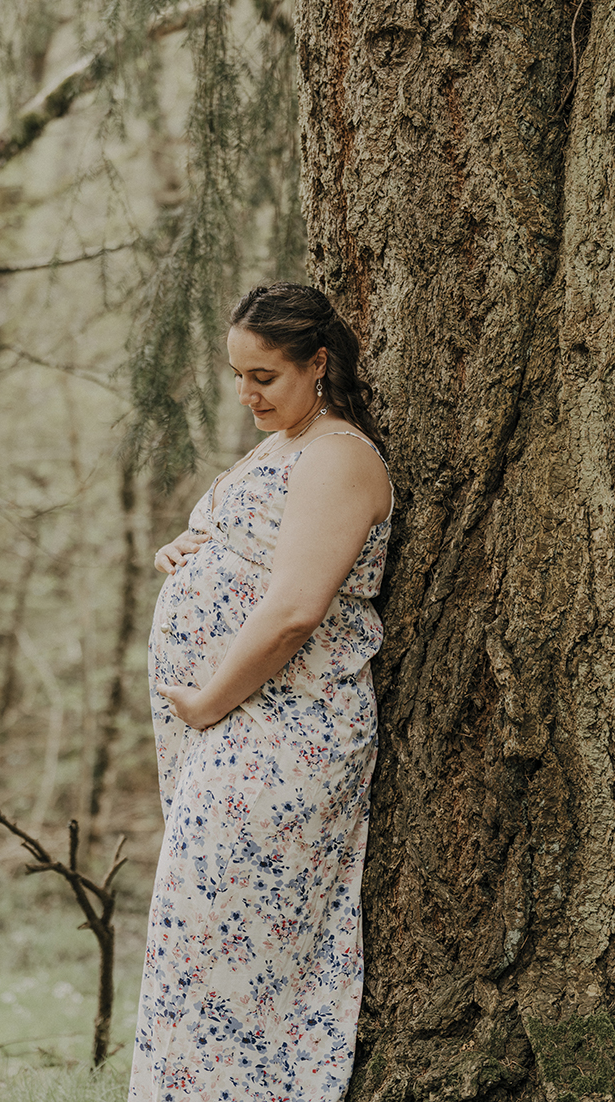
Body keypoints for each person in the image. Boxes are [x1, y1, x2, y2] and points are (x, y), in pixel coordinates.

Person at [129, 281, 392, 1102]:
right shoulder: (278, 447)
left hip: (285, 731)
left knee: (226, 954)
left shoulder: (340, 455)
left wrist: (208, 702)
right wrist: (191, 549)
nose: (245, 393)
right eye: (236, 374)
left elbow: (292, 611)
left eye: (264, 377)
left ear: (318, 364)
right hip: (237, 732)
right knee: (194, 946)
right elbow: (244, 542)